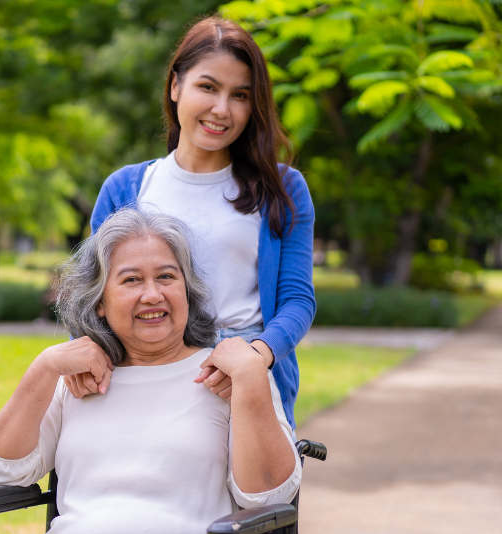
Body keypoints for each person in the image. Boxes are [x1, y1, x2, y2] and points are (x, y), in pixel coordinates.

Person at [0, 210, 301, 534]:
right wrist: (44, 368)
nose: (153, 294)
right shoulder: (77, 378)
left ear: (186, 289)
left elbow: (268, 497)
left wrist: (250, 376)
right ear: (100, 302)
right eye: (131, 280)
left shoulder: (228, 373)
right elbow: (1, 471)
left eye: (166, 276)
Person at [65, 16, 316, 433]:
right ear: (176, 86)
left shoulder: (283, 188)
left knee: (258, 498)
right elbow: (93, 294)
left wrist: (256, 357)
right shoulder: (126, 187)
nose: (222, 109)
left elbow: (297, 301)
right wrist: (82, 352)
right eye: (208, 87)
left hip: (242, 374)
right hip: (143, 368)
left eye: (240, 95)